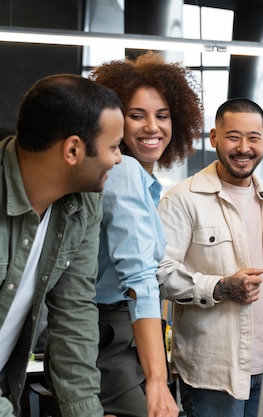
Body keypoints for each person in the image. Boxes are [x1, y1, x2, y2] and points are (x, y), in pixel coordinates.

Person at [156, 97, 263, 417]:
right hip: (212, 372)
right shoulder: (182, 199)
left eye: (253, 137)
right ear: (214, 137)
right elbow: (159, 273)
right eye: (233, 137)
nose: (244, 147)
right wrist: (220, 287)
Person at [0, 74, 124, 416]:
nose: (118, 159)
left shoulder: (84, 203)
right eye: (114, 147)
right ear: (72, 150)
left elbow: (74, 314)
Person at [89, 51, 204, 417]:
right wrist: (157, 381)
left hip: (118, 327)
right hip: (111, 327)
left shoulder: (140, 179)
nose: (152, 127)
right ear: (113, 121)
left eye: (163, 116)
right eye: (136, 116)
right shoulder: (124, 172)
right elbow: (139, 277)